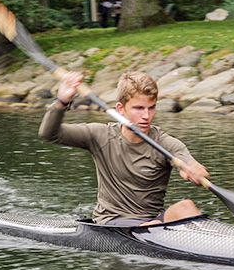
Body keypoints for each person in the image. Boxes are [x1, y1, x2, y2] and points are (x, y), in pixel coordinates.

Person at [39, 71, 209, 226]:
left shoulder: (165, 143)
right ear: (120, 109)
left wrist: (194, 169)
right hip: (112, 223)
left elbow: (188, 162)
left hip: (152, 223)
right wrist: (62, 102)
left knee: (186, 206)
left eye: (151, 108)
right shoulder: (100, 135)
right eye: (138, 108)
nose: (146, 116)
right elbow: (49, 134)